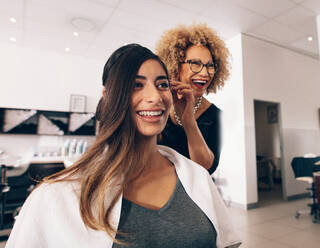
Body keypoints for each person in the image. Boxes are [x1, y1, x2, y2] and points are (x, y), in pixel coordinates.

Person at [6, 44, 241, 248]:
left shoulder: (197, 177)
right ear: (108, 96)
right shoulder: (55, 196)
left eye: (161, 85)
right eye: (136, 85)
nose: (155, 97)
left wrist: (189, 121)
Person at [155, 23, 230, 175]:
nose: (205, 73)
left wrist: (189, 121)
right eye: (195, 63)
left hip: (195, 194)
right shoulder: (158, 105)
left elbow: (207, 168)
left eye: (210, 66)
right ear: (175, 64)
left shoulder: (215, 116)